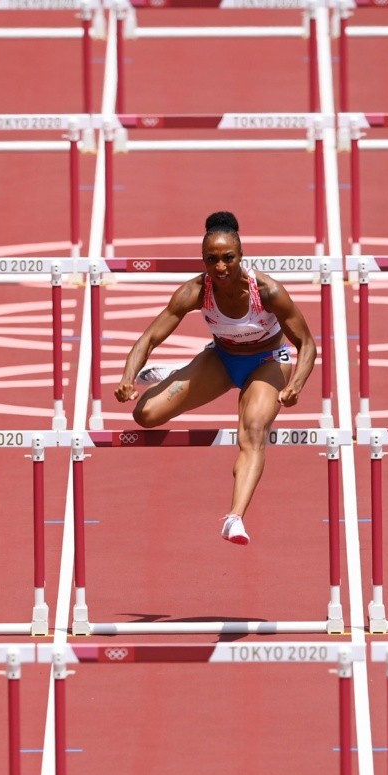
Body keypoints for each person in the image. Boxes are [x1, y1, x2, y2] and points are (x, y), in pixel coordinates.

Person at [114, 211, 317, 545]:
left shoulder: (266, 291)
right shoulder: (194, 291)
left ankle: (234, 518)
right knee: (145, 415)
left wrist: (296, 383)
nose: (220, 267)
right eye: (212, 260)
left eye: (228, 258)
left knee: (252, 431)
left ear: (240, 256)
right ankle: (174, 374)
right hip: (222, 359)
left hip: (267, 363)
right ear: (203, 260)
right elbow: (149, 338)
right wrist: (128, 377)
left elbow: (306, 343)